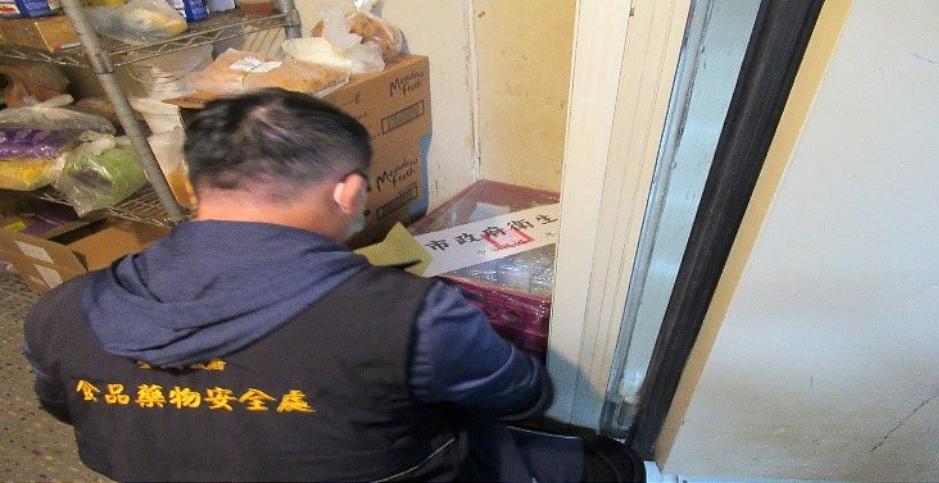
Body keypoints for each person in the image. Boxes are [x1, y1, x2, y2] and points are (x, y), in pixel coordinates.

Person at [22, 88, 553, 482]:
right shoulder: (412, 316)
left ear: (191, 187)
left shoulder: (61, 309)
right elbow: (520, 395)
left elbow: (64, 405)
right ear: (348, 193)